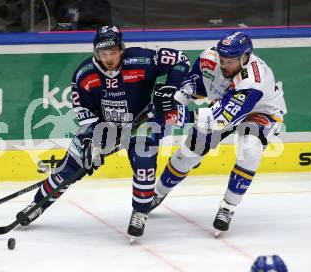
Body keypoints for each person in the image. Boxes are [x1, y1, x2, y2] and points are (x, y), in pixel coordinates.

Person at [17, 25, 190, 241]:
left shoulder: (142, 60)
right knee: (69, 168)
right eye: (103, 54)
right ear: (96, 52)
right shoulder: (84, 75)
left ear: (122, 49)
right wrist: (92, 142)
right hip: (104, 126)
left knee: (144, 163)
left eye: (113, 53)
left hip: (142, 121)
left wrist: (171, 87)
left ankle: (140, 212)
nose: (108, 58)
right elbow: (84, 113)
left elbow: (181, 60)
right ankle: (38, 204)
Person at [151, 31, 287, 236]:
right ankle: (157, 193)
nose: (224, 65)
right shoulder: (209, 58)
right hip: (222, 105)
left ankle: (228, 208)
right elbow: (191, 86)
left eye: (230, 61)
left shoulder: (253, 81)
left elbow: (221, 118)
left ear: (245, 57)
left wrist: (178, 116)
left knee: (250, 150)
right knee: (188, 154)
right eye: (222, 59)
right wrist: (172, 106)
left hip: (261, 112)